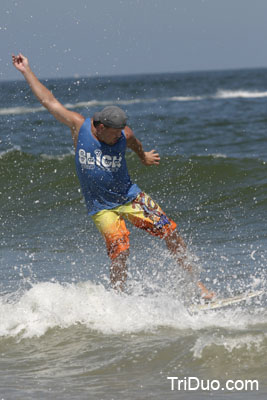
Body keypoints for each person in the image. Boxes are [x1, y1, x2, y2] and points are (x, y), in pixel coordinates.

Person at [12, 53, 214, 299]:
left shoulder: (124, 135)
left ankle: (198, 286)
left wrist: (143, 156)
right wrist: (26, 71)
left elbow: (135, 142)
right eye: (114, 132)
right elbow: (49, 101)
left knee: (170, 230)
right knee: (120, 251)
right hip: (101, 207)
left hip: (130, 196)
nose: (119, 136)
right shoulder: (80, 127)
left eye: (121, 131)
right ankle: (119, 299)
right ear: (100, 127)